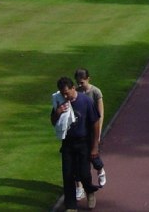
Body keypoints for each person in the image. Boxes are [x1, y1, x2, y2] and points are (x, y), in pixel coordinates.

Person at [50, 77, 100, 211]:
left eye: (67, 93)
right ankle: (71, 205)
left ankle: (89, 191)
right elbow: (53, 121)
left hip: (83, 142)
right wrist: (58, 112)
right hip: (67, 143)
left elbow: (95, 123)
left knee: (84, 173)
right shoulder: (60, 101)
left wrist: (95, 146)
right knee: (67, 174)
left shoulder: (86, 101)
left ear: (73, 88)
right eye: (63, 94)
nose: (65, 96)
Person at [74, 68, 107, 189]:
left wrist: (98, 133)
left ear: (88, 79)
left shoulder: (95, 92)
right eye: (78, 82)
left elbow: (100, 114)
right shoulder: (76, 92)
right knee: (80, 157)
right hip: (81, 129)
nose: (79, 85)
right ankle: (80, 185)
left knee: (93, 155)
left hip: (93, 128)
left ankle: (100, 169)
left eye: (82, 82)